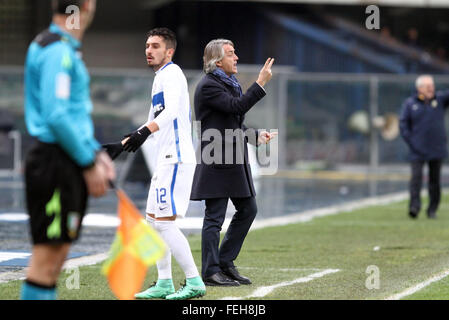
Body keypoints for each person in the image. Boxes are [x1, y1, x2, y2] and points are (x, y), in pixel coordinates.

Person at [21, 0, 115, 300]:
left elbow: (72, 115)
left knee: (57, 257)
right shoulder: (56, 50)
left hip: (65, 159)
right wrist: (88, 162)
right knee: (47, 259)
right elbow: (57, 115)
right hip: (54, 162)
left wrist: (96, 153)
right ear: (87, 5)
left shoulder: (63, 47)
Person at [104, 28, 206, 300]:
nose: (149, 50)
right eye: (147, 45)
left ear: (169, 51)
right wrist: (121, 145)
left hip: (176, 158)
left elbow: (171, 112)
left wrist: (143, 133)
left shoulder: (172, 74)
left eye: (155, 46)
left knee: (164, 223)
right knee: (153, 221)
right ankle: (164, 283)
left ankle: (195, 282)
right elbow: (151, 120)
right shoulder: (160, 78)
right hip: (165, 161)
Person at [190, 39, 275, 286]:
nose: (236, 57)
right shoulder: (209, 85)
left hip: (234, 160)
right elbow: (236, 106)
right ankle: (210, 271)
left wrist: (255, 136)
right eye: (230, 53)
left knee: (248, 209)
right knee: (214, 218)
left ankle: (225, 263)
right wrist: (260, 83)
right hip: (216, 159)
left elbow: (234, 121)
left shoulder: (229, 83)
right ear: (217, 61)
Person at [399, 75, 449, 219]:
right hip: (417, 150)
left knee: (435, 181)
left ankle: (432, 209)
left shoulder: (439, 100)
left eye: (432, 85)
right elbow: (403, 125)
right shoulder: (410, 103)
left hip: (436, 148)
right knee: (416, 180)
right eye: (427, 86)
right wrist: (412, 142)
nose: (431, 88)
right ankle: (414, 207)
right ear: (419, 88)